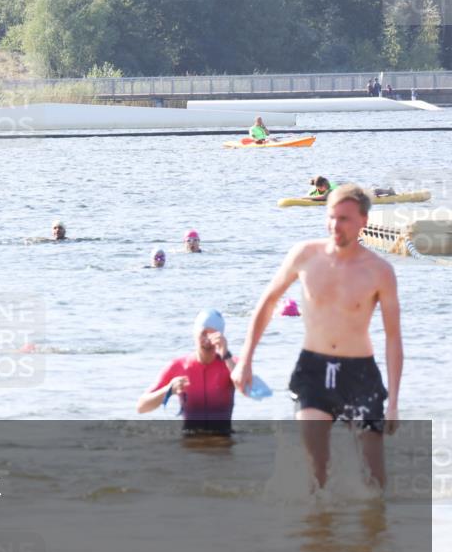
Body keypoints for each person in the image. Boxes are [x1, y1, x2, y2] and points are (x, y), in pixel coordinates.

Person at [231, 184, 402, 489]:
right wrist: (245, 360)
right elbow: (268, 302)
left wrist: (394, 403)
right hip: (313, 369)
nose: (335, 225)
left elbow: (392, 337)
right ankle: (319, 525)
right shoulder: (305, 255)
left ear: (364, 221)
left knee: (374, 475)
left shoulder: (379, 271)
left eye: (345, 219)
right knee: (315, 469)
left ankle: (371, 531)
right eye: (331, 217)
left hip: (360, 373)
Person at [137, 309, 236, 435]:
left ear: (221, 337)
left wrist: (226, 355)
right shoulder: (178, 366)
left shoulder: (230, 364)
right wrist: (168, 390)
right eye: (203, 334)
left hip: (223, 441)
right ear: (194, 334)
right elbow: (141, 407)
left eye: (213, 335)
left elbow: (249, 389)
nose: (207, 340)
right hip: (189, 444)